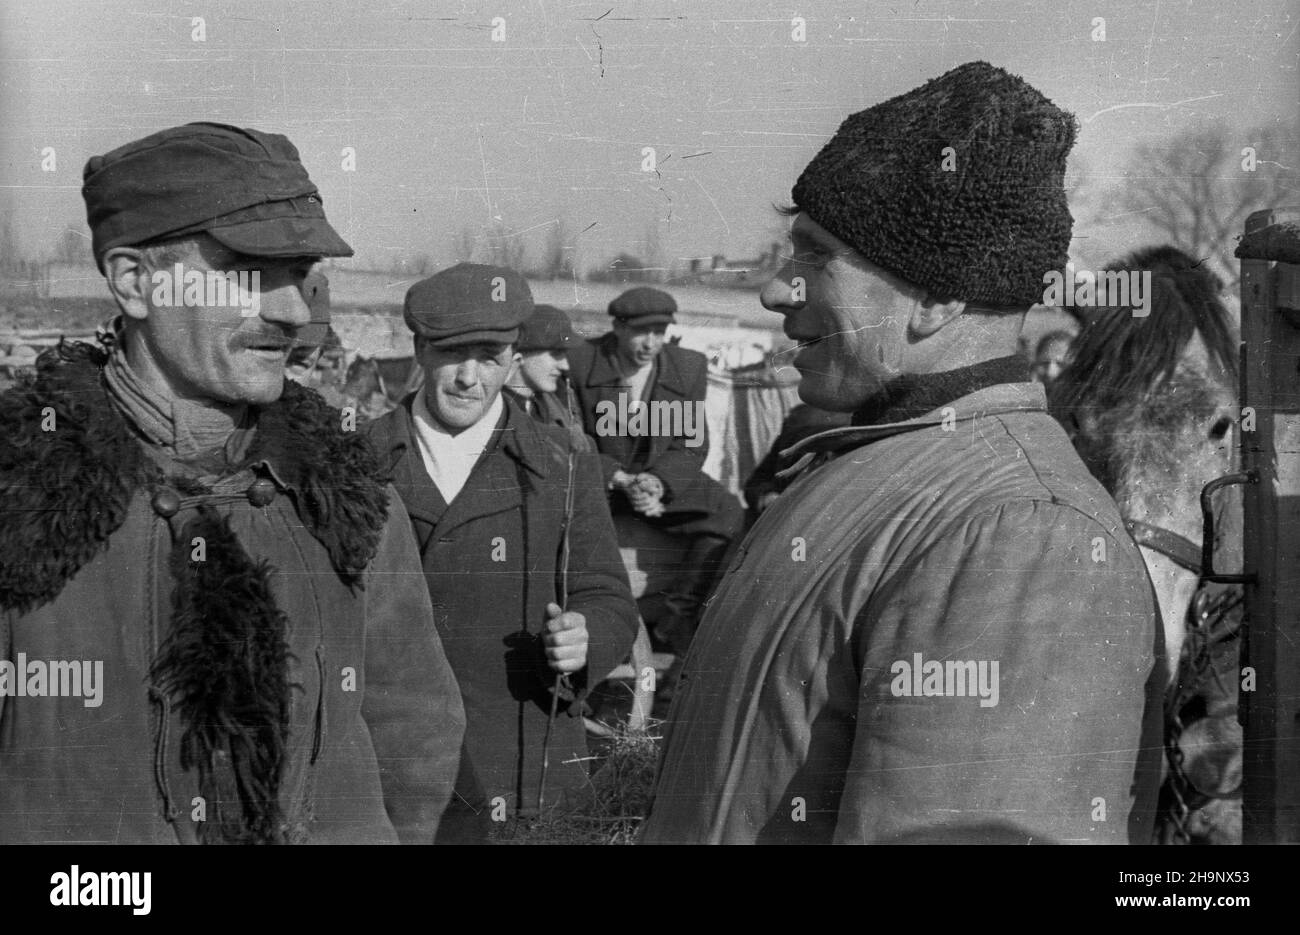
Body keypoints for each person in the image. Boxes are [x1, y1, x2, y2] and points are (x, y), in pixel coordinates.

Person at [640, 61, 1164, 844]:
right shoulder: (862, 461)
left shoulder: (1022, 535)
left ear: (940, 296)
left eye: (816, 257)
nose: (776, 291)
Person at [0, 122, 465, 844]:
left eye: (301, 271)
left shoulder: (349, 498)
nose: (293, 310)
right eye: (249, 270)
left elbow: (415, 736)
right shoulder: (18, 496)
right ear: (134, 281)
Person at [366, 263, 637, 825]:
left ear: (513, 359)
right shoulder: (355, 463)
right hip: (384, 765)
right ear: (419, 349)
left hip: (520, 759)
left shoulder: (561, 463)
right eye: (452, 354)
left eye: (490, 357)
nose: (470, 378)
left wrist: (586, 640)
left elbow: (608, 596)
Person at [567, 288, 744, 652]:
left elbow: (692, 442)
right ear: (617, 327)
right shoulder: (580, 361)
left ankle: (676, 618)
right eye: (641, 332)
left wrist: (657, 482)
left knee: (730, 513)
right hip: (600, 483)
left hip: (657, 480)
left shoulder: (688, 366)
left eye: (660, 332)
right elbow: (570, 440)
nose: (651, 343)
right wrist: (618, 478)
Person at [504, 303, 594, 453]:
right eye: (556, 354)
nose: (565, 366)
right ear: (523, 353)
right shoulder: (496, 413)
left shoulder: (555, 403)